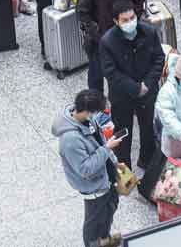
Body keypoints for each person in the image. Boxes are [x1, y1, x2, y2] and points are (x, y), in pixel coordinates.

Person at [51, 88, 123, 247]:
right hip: (94, 187)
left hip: (107, 177)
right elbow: (85, 169)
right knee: (94, 223)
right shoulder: (70, 140)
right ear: (87, 111)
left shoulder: (88, 120)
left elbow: (100, 140)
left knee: (109, 211)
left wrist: (114, 161)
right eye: (96, 112)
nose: (98, 115)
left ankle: (104, 240)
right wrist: (107, 149)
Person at [99, 0, 164, 169]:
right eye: (125, 20)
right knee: (123, 133)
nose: (130, 22)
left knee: (147, 128)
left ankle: (147, 159)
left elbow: (159, 59)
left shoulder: (149, 32)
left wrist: (147, 84)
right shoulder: (107, 42)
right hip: (122, 96)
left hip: (147, 92)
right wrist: (136, 88)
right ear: (116, 21)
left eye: (132, 17)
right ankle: (124, 168)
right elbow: (110, 73)